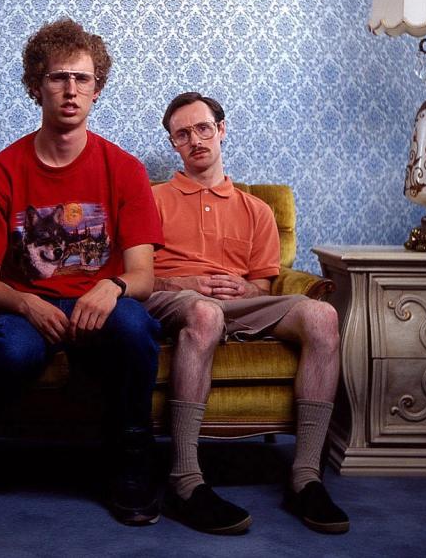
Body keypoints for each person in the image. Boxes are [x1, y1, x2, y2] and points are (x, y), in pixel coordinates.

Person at [0, 18, 164, 526]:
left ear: (97, 89)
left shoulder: (124, 169)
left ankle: (130, 461)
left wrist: (110, 287)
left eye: (82, 79)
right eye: (58, 77)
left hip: (98, 307)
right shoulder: (0, 172)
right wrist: (26, 303)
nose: (70, 90)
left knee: (133, 326)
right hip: (24, 305)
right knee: (16, 347)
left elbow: (144, 276)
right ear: (35, 85)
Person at [145, 92, 349, 535]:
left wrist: (245, 287)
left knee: (322, 317)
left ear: (220, 130)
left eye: (202, 128)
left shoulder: (256, 210)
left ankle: (305, 478)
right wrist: (187, 284)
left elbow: (262, 284)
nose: (195, 140)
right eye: (182, 134)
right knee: (203, 314)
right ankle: (184, 479)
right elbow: (137, 277)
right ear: (174, 146)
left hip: (239, 307)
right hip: (175, 301)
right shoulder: (152, 199)